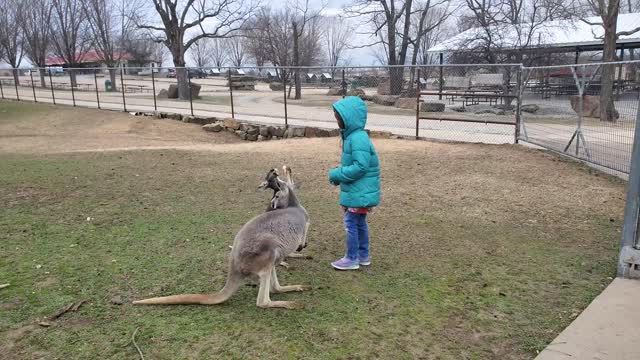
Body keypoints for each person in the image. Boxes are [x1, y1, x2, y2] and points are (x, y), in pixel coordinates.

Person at [328, 96, 381, 270]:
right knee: (359, 222)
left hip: (360, 192)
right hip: (359, 191)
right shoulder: (353, 137)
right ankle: (363, 255)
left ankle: (352, 258)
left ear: (348, 117)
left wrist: (337, 174)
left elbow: (360, 166)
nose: (337, 121)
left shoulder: (358, 138)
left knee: (351, 223)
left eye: (339, 117)